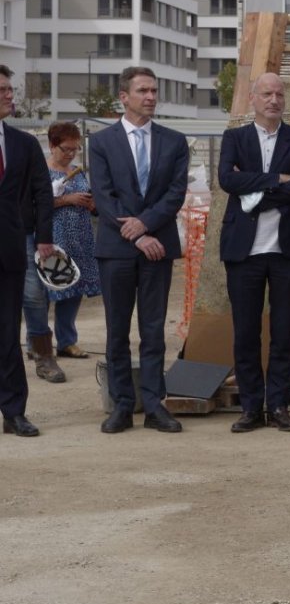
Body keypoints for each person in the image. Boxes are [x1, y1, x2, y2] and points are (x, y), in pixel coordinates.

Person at [90, 67, 190, 434]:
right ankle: (120, 405)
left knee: (153, 330)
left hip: (157, 248)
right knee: (117, 331)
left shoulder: (174, 142)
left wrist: (145, 225)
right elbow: (103, 195)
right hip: (117, 250)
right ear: (124, 97)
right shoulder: (101, 143)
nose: (150, 97)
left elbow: (175, 193)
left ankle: (153, 405)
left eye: (154, 91)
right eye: (143, 91)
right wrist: (135, 235)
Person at [218, 73, 290, 433]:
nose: (274, 100)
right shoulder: (234, 137)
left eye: (279, 93)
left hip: (288, 251)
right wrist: (279, 179)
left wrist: (256, 182)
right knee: (245, 333)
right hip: (244, 251)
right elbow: (227, 180)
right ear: (252, 99)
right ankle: (250, 408)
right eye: (266, 94)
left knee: (283, 333)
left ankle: (278, 406)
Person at [23, 122, 102, 382]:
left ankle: (67, 340)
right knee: (42, 291)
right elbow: (33, 207)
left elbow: (89, 197)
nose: (70, 154)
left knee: (73, 288)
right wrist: (65, 200)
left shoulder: (77, 171)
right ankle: (36, 342)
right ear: (52, 145)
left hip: (78, 236)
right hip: (51, 238)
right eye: (66, 149)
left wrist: (91, 205)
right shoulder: (39, 171)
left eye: (75, 150)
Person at [0, 65, 54, 437]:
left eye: (8, 88)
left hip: (10, 251)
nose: (9, 94)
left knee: (7, 333)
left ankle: (13, 411)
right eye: (2, 89)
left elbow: (42, 194)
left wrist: (44, 238)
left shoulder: (24, 144)